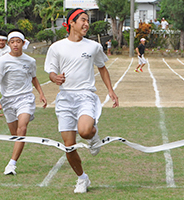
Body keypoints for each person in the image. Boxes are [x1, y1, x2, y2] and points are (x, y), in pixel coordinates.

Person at [44, 8, 119, 193]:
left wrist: (111, 90)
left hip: (86, 95)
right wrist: (55, 78)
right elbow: (51, 72)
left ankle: (93, 135)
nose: (86, 24)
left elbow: (102, 68)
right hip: (65, 98)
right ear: (72, 23)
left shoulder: (93, 46)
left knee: (85, 131)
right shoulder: (57, 47)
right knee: (68, 147)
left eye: (88, 21)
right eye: (83, 20)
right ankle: (82, 178)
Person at [0, 29, 47, 175]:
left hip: (25, 98)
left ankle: (11, 164)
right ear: (9, 44)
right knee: (15, 135)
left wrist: (41, 93)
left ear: (23, 43)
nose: (15, 44)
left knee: (22, 129)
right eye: (12, 42)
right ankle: (16, 153)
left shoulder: (30, 61)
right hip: (8, 101)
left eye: (18, 41)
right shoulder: (3, 61)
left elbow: (34, 78)